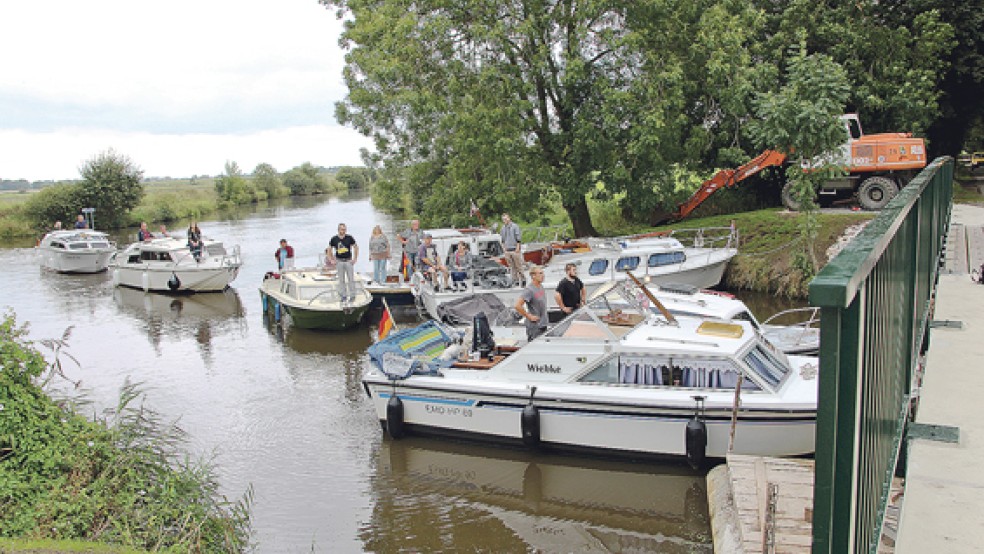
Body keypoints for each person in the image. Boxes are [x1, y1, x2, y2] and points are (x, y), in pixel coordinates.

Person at [514, 265, 548, 341]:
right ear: (533, 276)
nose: (543, 275)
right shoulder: (529, 290)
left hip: (543, 324)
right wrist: (529, 316)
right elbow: (517, 305)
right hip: (535, 327)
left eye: (542, 273)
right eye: (540, 273)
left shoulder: (541, 286)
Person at [328, 223, 358, 301]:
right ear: (338, 230)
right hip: (339, 261)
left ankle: (352, 295)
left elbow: (356, 247)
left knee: (351, 279)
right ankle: (343, 295)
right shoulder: (334, 239)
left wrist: (355, 258)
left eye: (344, 229)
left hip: (348, 261)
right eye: (342, 229)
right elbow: (329, 249)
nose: (343, 231)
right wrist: (331, 259)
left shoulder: (349, 238)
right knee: (341, 280)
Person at [500, 213, 524, 286]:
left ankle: (523, 279)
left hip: (514, 249)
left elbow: (518, 238)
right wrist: (504, 249)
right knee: (512, 267)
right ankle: (515, 280)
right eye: (503, 219)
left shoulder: (515, 226)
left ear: (509, 218)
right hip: (507, 250)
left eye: (506, 218)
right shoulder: (502, 228)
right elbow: (503, 240)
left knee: (518, 265)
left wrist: (518, 247)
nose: (505, 220)